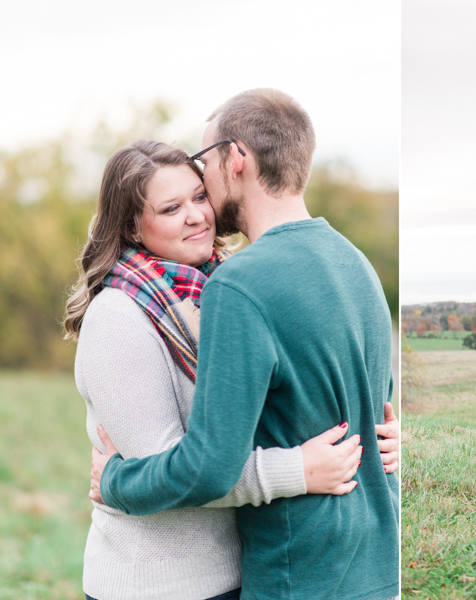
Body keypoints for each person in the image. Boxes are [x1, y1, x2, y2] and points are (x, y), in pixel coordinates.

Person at [89, 89, 400, 600]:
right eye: (173, 205)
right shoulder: (356, 261)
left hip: (298, 569)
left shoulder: (239, 284)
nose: (201, 199)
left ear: (235, 159)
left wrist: (119, 482)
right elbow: (375, 405)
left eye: (202, 165)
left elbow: (208, 466)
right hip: (375, 561)